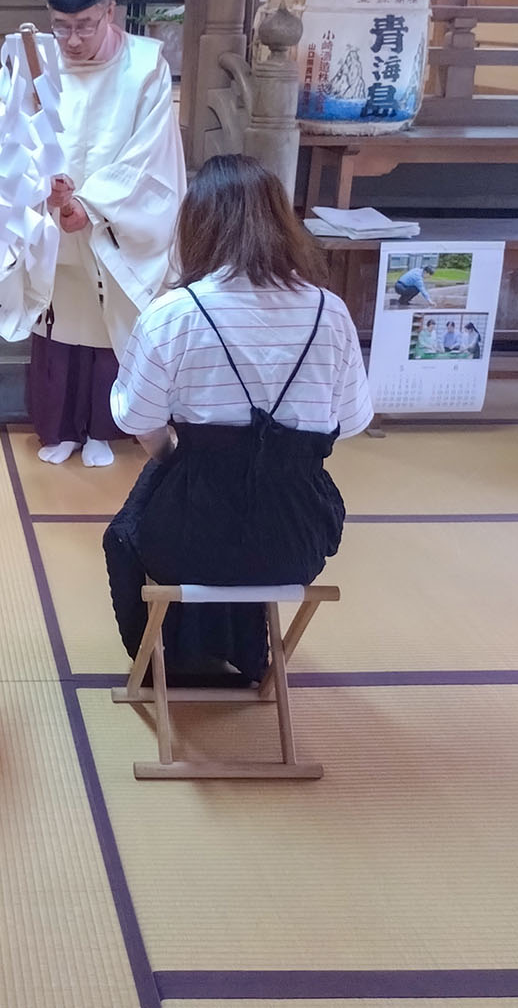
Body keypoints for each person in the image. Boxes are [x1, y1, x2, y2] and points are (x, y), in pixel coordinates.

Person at [103, 154, 374, 684]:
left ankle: (166, 662)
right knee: (246, 522)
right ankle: (246, 652)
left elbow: (140, 422)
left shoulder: (174, 314)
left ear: (197, 227)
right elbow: (352, 421)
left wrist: (177, 458)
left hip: (190, 538)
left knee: (127, 535)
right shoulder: (330, 312)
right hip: (295, 539)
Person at [12, 0, 186, 468]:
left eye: (85, 24)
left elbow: (150, 156)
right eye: (61, 26)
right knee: (59, 312)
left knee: (109, 315)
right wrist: (44, 186)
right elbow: (15, 134)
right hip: (52, 213)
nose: (73, 39)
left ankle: (102, 430)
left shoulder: (145, 65)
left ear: (110, 11)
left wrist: (91, 205)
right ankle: (58, 426)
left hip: (112, 218)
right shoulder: (35, 57)